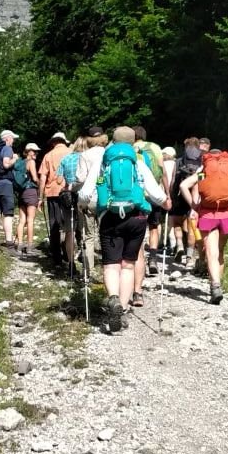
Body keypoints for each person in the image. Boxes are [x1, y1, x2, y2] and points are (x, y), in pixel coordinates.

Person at [79, 125, 169, 331]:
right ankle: (124, 307)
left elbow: (85, 193)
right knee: (128, 265)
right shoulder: (138, 161)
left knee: (111, 265)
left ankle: (113, 298)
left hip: (110, 217)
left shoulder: (104, 161)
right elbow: (157, 195)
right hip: (136, 218)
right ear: (133, 142)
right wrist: (166, 202)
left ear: (113, 140)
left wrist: (82, 205)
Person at [180, 147, 228, 304]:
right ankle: (218, 284)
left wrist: (194, 206)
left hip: (207, 214)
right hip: (227, 214)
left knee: (211, 251)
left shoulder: (203, 171)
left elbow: (184, 185)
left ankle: (215, 286)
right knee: (220, 251)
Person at [76, 126, 108, 278]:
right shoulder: (108, 153)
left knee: (88, 236)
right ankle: (108, 268)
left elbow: (81, 178)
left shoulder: (84, 155)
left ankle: (87, 271)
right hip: (105, 199)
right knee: (105, 235)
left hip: (88, 199)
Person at [134, 126, 164, 275]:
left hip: (138, 194)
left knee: (138, 227)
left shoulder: (130, 148)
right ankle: (152, 258)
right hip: (154, 193)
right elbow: (162, 170)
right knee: (153, 226)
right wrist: (166, 192)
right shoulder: (155, 147)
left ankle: (138, 259)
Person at [38, 131, 70, 266]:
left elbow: (43, 177)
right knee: (70, 223)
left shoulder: (48, 155)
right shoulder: (71, 153)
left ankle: (56, 256)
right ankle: (69, 253)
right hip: (69, 192)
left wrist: (40, 197)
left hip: (53, 192)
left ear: (53, 142)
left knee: (54, 223)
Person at [171, 137, 203, 269]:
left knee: (177, 223)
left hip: (180, 195)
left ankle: (179, 245)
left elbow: (173, 180)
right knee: (192, 226)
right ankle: (189, 257)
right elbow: (202, 179)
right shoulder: (202, 161)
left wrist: (171, 195)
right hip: (195, 195)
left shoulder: (179, 161)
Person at [57, 136, 86, 271]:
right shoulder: (86, 158)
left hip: (68, 195)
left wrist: (68, 181)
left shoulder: (66, 159)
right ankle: (85, 257)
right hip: (84, 195)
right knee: (85, 228)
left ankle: (70, 263)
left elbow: (58, 180)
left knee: (70, 230)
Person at [0, 129, 18, 248]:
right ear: (7, 138)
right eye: (12, 138)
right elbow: (6, 164)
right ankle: (9, 243)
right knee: (8, 214)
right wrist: (15, 158)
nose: (13, 140)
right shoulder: (7, 148)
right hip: (5, 184)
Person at [15, 142, 41, 255]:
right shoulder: (31, 162)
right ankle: (29, 246)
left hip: (21, 193)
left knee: (22, 220)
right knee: (30, 220)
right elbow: (34, 178)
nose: (36, 153)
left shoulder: (20, 162)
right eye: (34, 151)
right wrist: (40, 184)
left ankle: (19, 245)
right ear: (28, 151)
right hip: (30, 192)